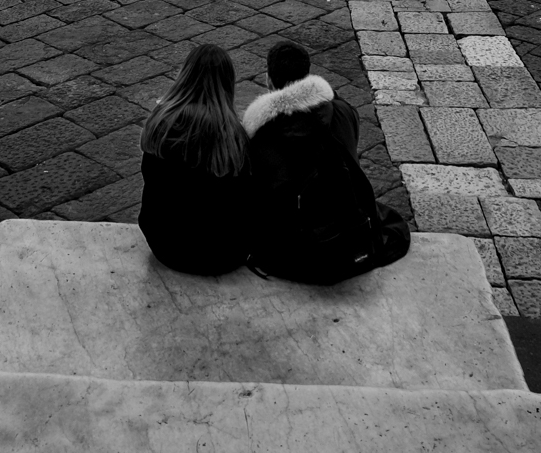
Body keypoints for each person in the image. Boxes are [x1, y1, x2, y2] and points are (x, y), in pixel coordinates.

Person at [243, 40, 410, 284]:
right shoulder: (344, 112)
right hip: (348, 232)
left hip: (298, 247)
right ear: (308, 77)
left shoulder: (260, 137)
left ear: (269, 81)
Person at [138, 43, 251, 275]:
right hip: (223, 255)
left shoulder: (161, 121)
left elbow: (150, 176)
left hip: (165, 246)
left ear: (185, 74)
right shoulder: (233, 134)